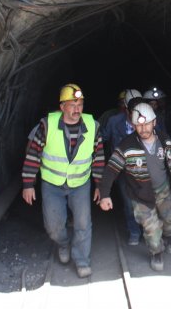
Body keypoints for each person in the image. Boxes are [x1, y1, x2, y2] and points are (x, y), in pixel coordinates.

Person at [21, 83, 104, 279]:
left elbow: (99, 157)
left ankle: (82, 260)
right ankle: (63, 243)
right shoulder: (47, 125)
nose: (77, 109)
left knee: (83, 223)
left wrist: (100, 185)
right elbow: (33, 154)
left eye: (80, 104)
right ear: (62, 107)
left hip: (80, 184)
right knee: (54, 226)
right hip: (52, 184)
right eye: (72, 104)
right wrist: (27, 184)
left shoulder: (92, 126)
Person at [97, 103, 171, 272]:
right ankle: (156, 252)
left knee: (169, 220)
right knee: (151, 228)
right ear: (133, 125)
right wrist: (104, 194)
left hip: (164, 190)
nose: (143, 128)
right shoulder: (126, 146)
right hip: (140, 194)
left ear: (154, 122)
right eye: (138, 125)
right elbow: (110, 170)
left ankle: (169, 237)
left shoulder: (165, 140)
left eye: (147, 124)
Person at [97, 88, 143, 245]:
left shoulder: (148, 120)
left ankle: (152, 232)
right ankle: (134, 231)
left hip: (144, 169)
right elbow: (102, 138)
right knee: (129, 203)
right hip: (122, 170)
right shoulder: (114, 121)